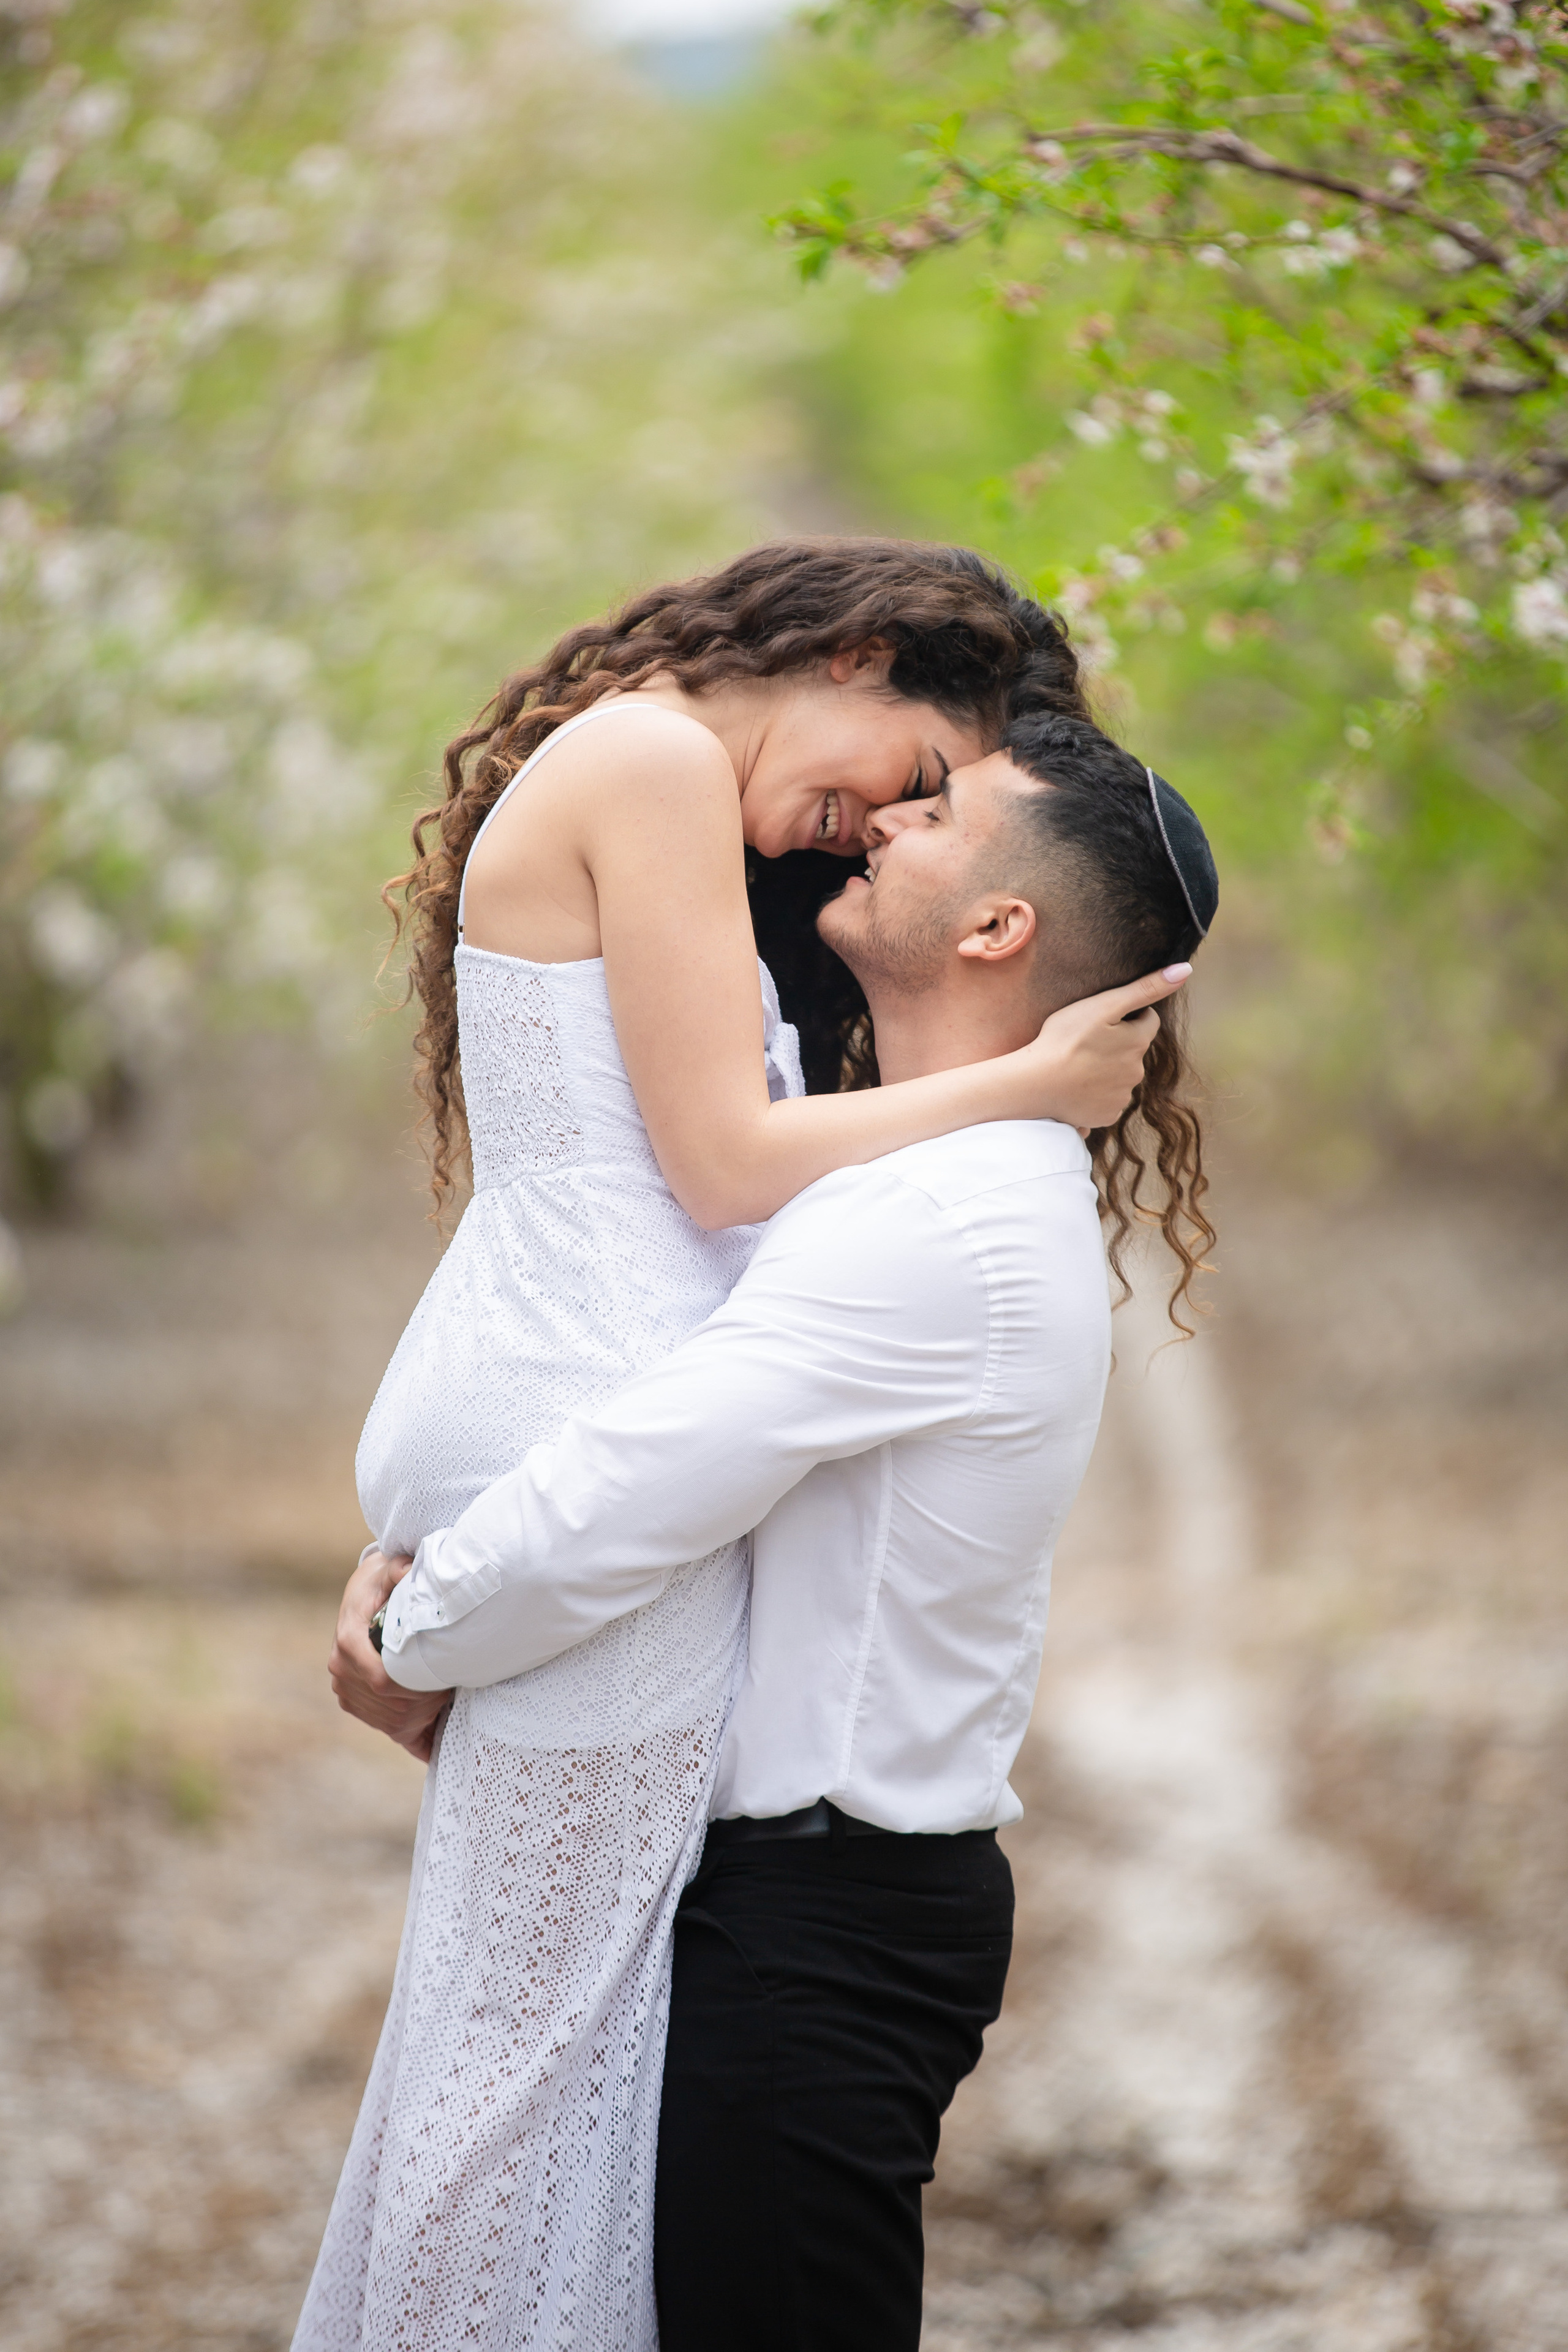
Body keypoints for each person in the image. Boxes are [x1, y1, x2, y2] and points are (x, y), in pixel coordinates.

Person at [290, 540, 1188, 2352]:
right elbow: (718, 1177)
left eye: (934, 809)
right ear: (855, 653)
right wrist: (1030, 1081)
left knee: (521, 2085)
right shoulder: (656, 765)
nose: (883, 827)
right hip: (577, 1447)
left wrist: (440, 1602)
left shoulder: (929, 1200)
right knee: (520, 2091)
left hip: (596, 1504)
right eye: (916, 775)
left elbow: (700, 1278)